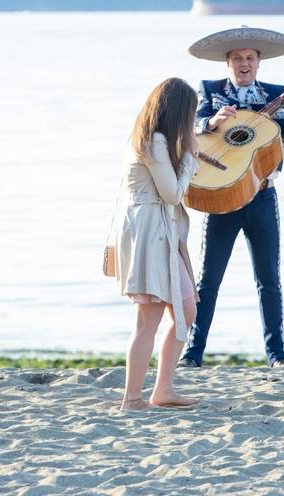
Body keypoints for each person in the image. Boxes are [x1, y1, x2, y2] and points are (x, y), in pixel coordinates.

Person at [178, 26, 284, 369]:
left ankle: (277, 355)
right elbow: (189, 130)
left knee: (269, 280)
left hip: (263, 197)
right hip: (222, 194)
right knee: (209, 279)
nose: (244, 63)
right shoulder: (210, 91)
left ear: (259, 62)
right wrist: (211, 122)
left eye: (250, 58)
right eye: (237, 59)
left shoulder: (278, 94)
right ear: (228, 63)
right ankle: (193, 352)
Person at [114, 78, 201, 411]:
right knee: (147, 320)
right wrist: (192, 158)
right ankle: (132, 398)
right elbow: (172, 193)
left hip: (159, 232)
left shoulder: (154, 139)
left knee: (187, 310)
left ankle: (163, 389)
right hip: (151, 235)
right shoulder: (154, 141)